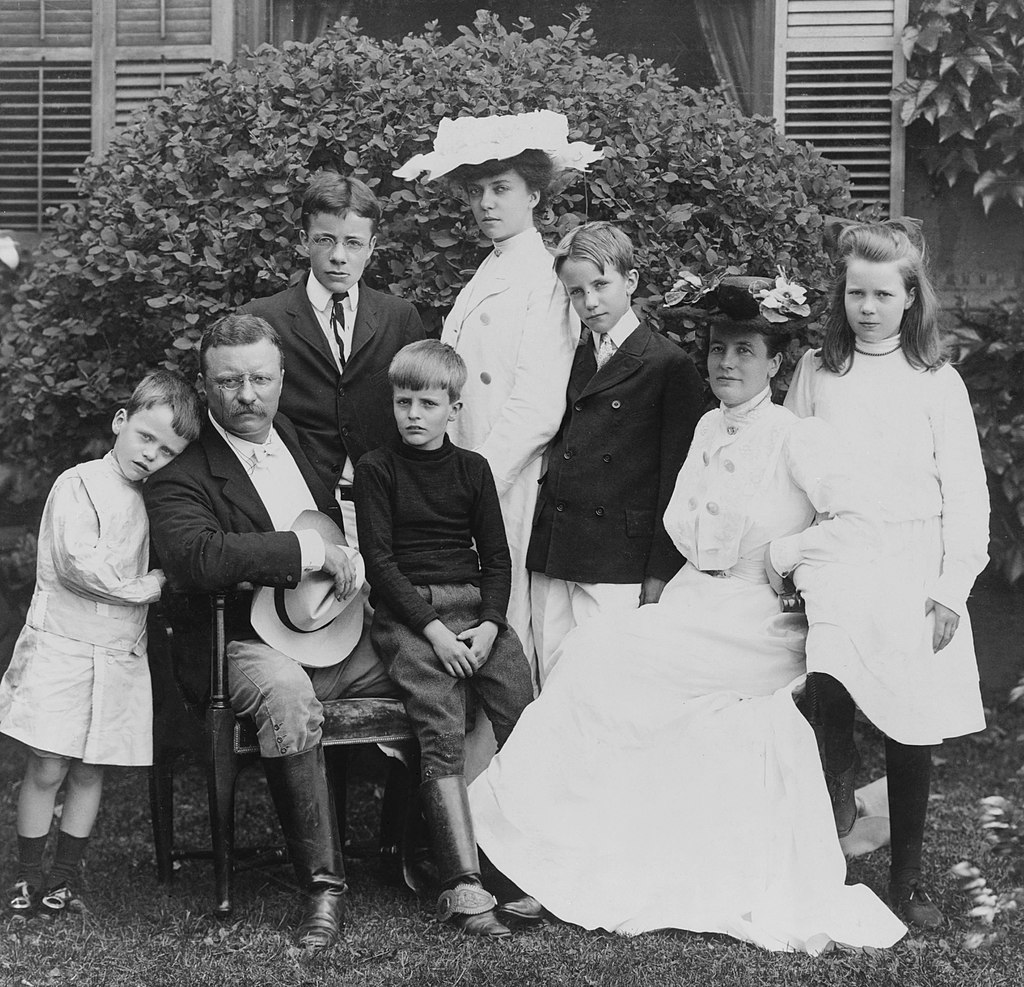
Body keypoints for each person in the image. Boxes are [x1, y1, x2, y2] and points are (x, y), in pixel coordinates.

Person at [466, 278, 908, 953]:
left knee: (616, 663)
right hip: (696, 604)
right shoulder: (707, 424)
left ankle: (547, 847)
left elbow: (862, 521)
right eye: (717, 349)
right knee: (592, 655)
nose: (726, 363)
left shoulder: (796, 438)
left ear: (775, 362)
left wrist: (789, 554)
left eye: (744, 350)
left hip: (757, 620)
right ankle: (535, 842)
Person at [144, 314, 400, 951]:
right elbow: (200, 557)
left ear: (283, 379)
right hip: (238, 645)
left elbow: (335, 522)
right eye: (229, 382)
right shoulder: (182, 471)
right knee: (287, 694)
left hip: (330, 633)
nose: (247, 395)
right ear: (205, 388)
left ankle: (431, 855)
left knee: (423, 665)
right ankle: (324, 887)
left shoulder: (295, 437)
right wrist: (308, 552)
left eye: (261, 378)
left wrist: (353, 558)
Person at [785, 220, 990, 929]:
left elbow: (967, 495)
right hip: (841, 557)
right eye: (855, 293)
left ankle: (906, 879)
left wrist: (949, 589)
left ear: (910, 298)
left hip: (911, 564)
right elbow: (789, 468)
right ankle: (828, 843)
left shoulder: (936, 382)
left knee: (910, 723)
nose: (866, 308)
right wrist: (789, 556)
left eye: (882, 294)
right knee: (828, 691)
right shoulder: (817, 371)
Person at [394, 110, 602, 682]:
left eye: (502, 189)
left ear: (534, 194)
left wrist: (473, 484)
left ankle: (508, 764)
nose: (487, 203)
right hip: (465, 479)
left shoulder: (545, 276)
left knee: (506, 629)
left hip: (506, 483)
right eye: (478, 191)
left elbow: (537, 405)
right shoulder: (487, 271)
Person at [1, 371, 202, 919]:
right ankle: (26, 878)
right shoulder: (80, 483)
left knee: (92, 768)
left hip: (117, 652)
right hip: (63, 648)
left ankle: (63, 880)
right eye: (145, 437)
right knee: (48, 764)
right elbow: (79, 567)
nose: (152, 455)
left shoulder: (159, 500)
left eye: (168, 451)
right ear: (121, 421)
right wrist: (153, 585)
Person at [354, 340, 534, 938]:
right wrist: (435, 633)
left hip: (473, 610)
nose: (413, 415)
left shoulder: (473, 470)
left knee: (520, 705)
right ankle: (461, 880)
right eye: (404, 401)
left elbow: (498, 560)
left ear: (453, 409)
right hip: (410, 615)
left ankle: (525, 862)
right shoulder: (378, 469)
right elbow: (379, 563)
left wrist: (488, 625)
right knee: (440, 717)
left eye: (427, 404)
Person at [527, 222, 705, 681]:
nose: (589, 302)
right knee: (551, 682)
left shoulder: (668, 364)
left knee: (604, 684)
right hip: (556, 550)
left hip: (618, 561)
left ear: (631, 280)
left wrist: (660, 573)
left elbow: (677, 480)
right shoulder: (570, 354)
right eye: (575, 292)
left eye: (601, 285)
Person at [241, 172, 425, 545]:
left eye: (353, 243)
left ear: (372, 246)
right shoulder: (264, 317)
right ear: (303, 241)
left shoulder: (399, 317)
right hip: (295, 508)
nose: (339, 257)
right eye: (326, 240)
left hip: (385, 509)